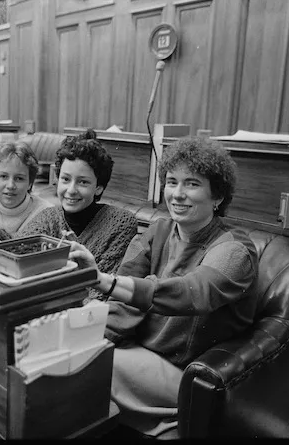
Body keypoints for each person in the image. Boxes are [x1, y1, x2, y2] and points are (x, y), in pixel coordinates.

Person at [67, 135, 258, 439]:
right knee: (65, 348)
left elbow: (191, 292)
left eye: (192, 184)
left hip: (190, 372)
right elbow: (125, 304)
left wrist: (103, 280)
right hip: (137, 351)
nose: (177, 194)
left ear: (217, 196)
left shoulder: (235, 250)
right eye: (171, 182)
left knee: (80, 366)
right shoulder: (158, 230)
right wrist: (90, 333)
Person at [18, 129, 137, 300]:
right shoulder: (48, 217)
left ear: (99, 187)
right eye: (65, 179)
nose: (71, 190)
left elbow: (103, 291)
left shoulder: (120, 222)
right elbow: (17, 251)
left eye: (83, 182)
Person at [0, 141, 53, 240]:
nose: (10, 185)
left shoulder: (46, 213)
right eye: (3, 176)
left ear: (30, 183)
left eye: (19, 178)